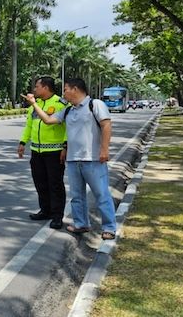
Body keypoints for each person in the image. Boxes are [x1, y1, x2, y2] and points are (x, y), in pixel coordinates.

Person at [21, 78, 117, 240]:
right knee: (77, 195)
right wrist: (34, 103)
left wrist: (104, 150)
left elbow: (106, 125)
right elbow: (48, 120)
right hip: (73, 160)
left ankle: (109, 227)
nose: (63, 92)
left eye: (65, 89)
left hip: (92, 159)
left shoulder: (95, 105)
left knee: (101, 194)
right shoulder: (68, 111)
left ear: (75, 89)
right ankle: (81, 224)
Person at [18, 76, 68, 229]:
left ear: (46, 88)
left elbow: (68, 126)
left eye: (37, 87)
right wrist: (22, 142)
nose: (34, 90)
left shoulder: (60, 104)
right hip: (36, 151)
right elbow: (29, 126)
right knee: (40, 182)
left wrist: (65, 146)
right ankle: (45, 210)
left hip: (54, 151)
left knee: (55, 184)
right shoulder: (35, 105)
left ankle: (57, 216)